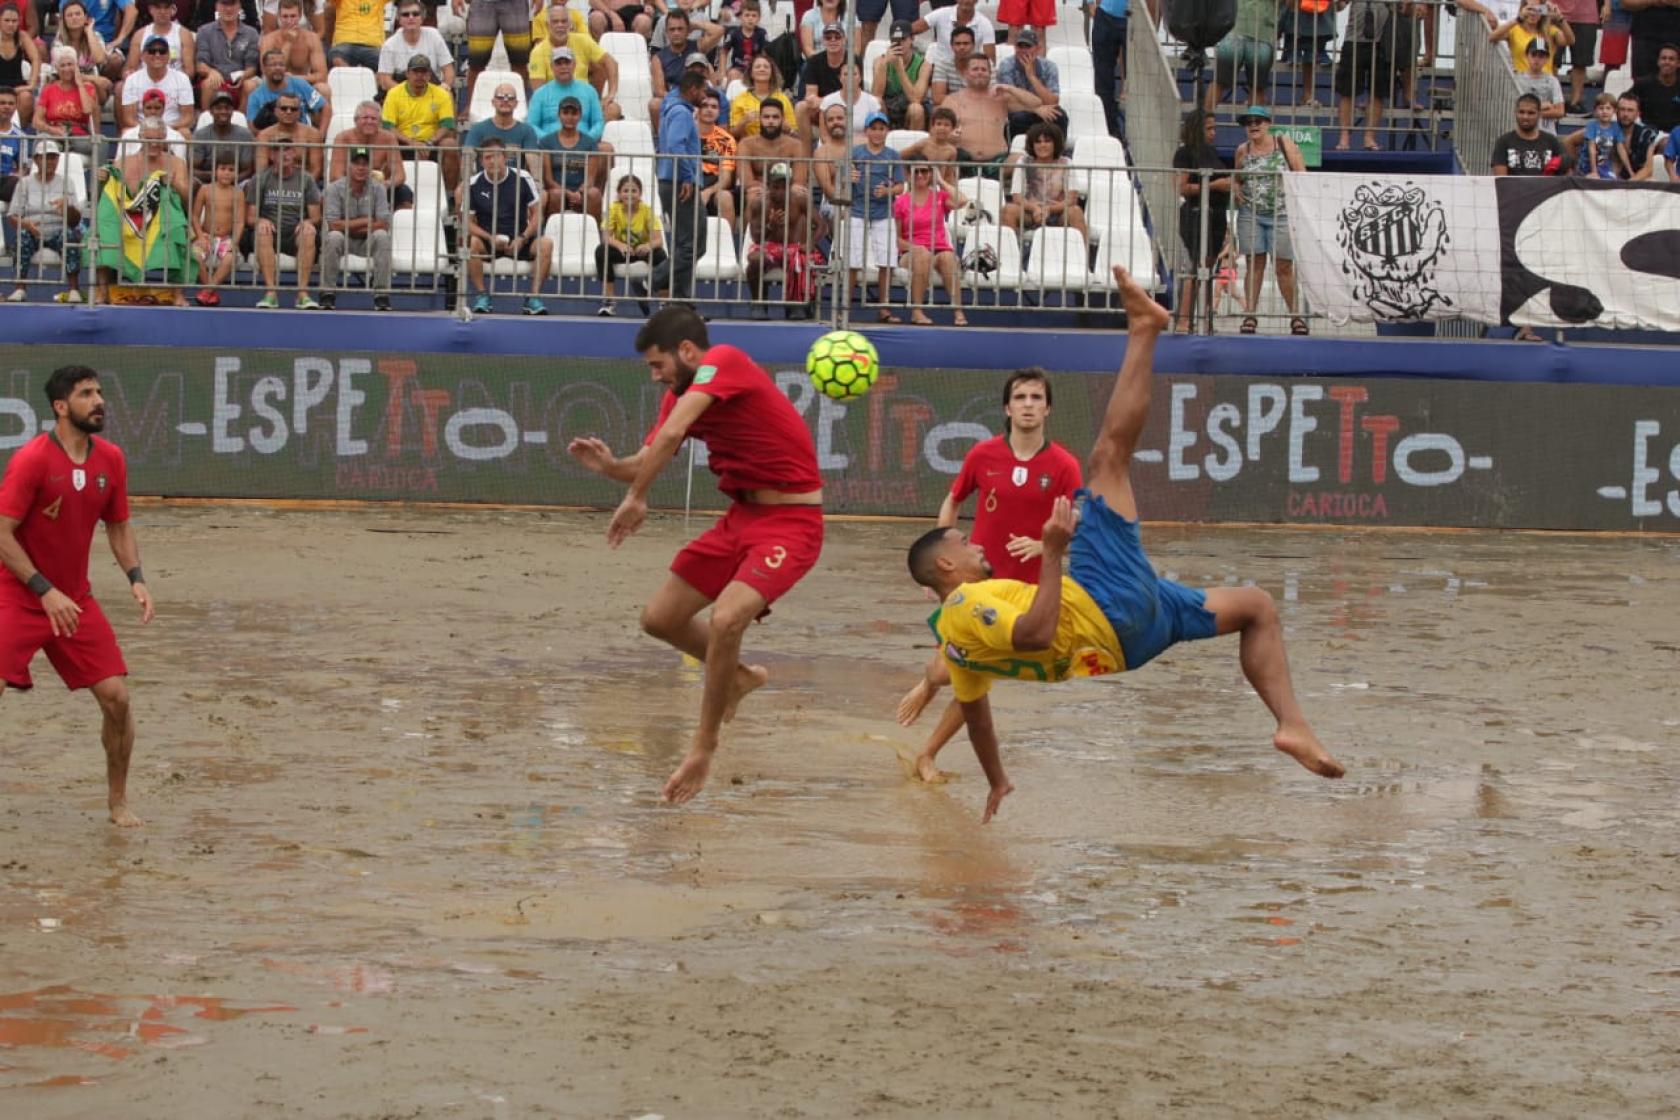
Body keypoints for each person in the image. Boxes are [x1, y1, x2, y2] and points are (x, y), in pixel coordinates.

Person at [898, 269, 1344, 823]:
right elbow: (1035, 635)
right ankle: (1144, 328)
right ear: (947, 566)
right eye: (963, 541)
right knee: (1109, 457)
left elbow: (978, 715)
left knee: (1256, 606)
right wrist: (1056, 551)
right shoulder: (965, 605)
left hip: (1130, 645)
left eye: (1037, 397)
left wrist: (997, 780)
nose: (973, 542)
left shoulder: (963, 630)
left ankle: (1291, 725)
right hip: (1104, 605)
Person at [566, 306, 826, 805]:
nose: (655, 375)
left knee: (728, 618)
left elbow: (667, 440)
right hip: (740, 519)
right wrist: (613, 468)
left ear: (688, 351)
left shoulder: (724, 360)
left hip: (792, 524)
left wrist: (637, 498)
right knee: (659, 618)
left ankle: (704, 747)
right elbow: (649, 457)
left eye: (657, 364)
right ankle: (741, 676)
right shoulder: (678, 395)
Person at [898, 367, 1080, 780]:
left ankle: (927, 751)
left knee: (973, 673)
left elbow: (1077, 521)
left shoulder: (1065, 465)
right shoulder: (983, 455)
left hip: (1022, 593)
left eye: (1036, 398)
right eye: (1021, 398)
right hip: (970, 585)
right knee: (949, 671)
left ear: (1048, 408)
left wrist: (1044, 546)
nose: (1028, 405)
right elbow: (952, 501)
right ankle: (928, 702)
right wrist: (937, 570)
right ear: (1007, 408)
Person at [0, 365, 155, 829]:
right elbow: (2, 534)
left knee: (118, 700)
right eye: (87, 394)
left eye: (100, 392)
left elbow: (119, 524)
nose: (99, 400)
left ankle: (117, 803)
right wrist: (43, 591)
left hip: (75, 600)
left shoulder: (112, 460)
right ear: (61, 406)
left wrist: (135, 576)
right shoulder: (31, 461)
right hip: (16, 593)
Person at [1232, 105, 1307, 335]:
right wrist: (1235, 186)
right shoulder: (1242, 150)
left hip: (1282, 214)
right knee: (1254, 265)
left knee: (1284, 266)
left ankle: (1296, 317)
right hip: (1251, 213)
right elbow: (1238, 176)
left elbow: (1301, 174)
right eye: (1249, 122)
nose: (1253, 125)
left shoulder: (1283, 144)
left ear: (1268, 123)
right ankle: (1250, 315)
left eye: (1258, 121)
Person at [463, 136, 552, 315]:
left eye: (496, 156)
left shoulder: (523, 177)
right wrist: (490, 238)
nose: (492, 161)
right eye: (487, 157)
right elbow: (467, 222)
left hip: (521, 238)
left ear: (505, 157)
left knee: (546, 244)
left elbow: (537, 215)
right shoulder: (473, 184)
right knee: (472, 242)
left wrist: (523, 237)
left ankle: (533, 298)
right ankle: (482, 296)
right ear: (481, 161)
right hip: (489, 240)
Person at [244, 136, 322, 308]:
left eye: (288, 150)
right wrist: (260, 220)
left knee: (309, 233)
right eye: (279, 150)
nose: (284, 154)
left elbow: (316, 216)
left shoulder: (306, 179)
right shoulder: (260, 179)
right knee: (262, 232)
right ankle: (271, 293)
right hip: (271, 232)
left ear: (294, 153)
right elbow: (250, 217)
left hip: (294, 232)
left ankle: (302, 294)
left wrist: (308, 222)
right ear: (272, 155)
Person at [1172, 107, 1231, 333]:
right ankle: (1184, 320)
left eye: (1214, 128)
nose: (1213, 133)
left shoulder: (1212, 153)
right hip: (1196, 214)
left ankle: (1205, 319)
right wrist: (1214, 185)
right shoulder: (1184, 153)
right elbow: (1181, 187)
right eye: (1209, 128)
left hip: (1216, 215)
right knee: (1196, 266)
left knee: (1208, 266)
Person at [653, 69, 709, 304]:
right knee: (694, 246)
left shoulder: (671, 106)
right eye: (704, 90)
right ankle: (652, 280)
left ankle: (681, 303)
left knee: (684, 245)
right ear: (693, 90)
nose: (705, 96)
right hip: (680, 183)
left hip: (671, 181)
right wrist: (687, 177)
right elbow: (677, 147)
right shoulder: (681, 113)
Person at [7, 143, 84, 304]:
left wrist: (67, 208)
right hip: (32, 228)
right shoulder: (24, 183)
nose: (49, 162)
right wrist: (26, 225)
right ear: (36, 160)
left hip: (58, 228)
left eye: (53, 157)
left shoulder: (67, 182)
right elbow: (13, 216)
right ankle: (20, 288)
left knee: (70, 235)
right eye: (45, 158)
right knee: (22, 236)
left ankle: (73, 289)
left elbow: (76, 220)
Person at [318, 144, 392, 309]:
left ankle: (382, 295)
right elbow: (333, 225)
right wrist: (366, 220)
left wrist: (350, 224)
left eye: (364, 164)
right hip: (343, 240)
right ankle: (327, 293)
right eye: (356, 163)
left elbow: (382, 224)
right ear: (348, 166)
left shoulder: (379, 189)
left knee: (382, 236)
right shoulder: (334, 189)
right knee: (333, 237)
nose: (360, 167)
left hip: (367, 241)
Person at [844, 111, 902, 322]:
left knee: (886, 261)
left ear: (887, 131)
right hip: (858, 210)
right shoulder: (856, 152)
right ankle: (845, 307)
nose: (877, 132)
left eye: (881, 128)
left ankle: (884, 308)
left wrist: (887, 191)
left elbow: (900, 186)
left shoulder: (893, 155)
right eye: (874, 128)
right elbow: (844, 177)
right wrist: (849, 177)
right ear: (867, 131)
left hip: (883, 213)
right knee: (852, 261)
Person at [893, 159, 966, 326]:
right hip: (910, 252)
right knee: (923, 255)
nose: (920, 175)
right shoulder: (901, 201)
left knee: (948, 257)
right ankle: (917, 311)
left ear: (930, 174)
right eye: (916, 171)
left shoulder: (940, 197)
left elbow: (962, 201)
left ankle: (958, 311)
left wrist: (940, 181)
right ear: (909, 175)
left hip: (939, 249)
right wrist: (914, 247)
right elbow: (897, 239)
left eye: (924, 171)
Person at [946, 54, 1040, 177]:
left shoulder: (1001, 98)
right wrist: (948, 137)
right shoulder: (952, 100)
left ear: (990, 74)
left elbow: (1036, 103)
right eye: (975, 69)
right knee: (943, 153)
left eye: (984, 69)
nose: (980, 72)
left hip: (998, 163)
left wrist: (1010, 89)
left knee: (1022, 159)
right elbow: (934, 133)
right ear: (965, 73)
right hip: (962, 163)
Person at [743, 160, 814, 317]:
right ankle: (759, 303)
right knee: (755, 260)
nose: (780, 192)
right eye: (776, 187)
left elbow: (822, 225)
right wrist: (771, 226)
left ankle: (796, 304)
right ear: (768, 185)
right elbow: (756, 238)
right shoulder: (759, 204)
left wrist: (810, 243)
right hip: (768, 246)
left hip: (792, 248)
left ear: (790, 186)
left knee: (800, 258)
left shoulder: (800, 200)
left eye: (784, 187)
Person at [382, 53, 458, 187]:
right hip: (402, 143)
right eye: (415, 72)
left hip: (431, 143)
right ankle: (389, 191)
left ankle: (450, 195)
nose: (420, 76)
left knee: (450, 144)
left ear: (429, 75)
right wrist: (411, 143)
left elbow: (447, 125)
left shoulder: (441, 94)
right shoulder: (394, 93)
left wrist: (429, 143)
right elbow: (388, 126)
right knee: (386, 142)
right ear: (407, 73)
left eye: (424, 72)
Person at [1335, 0, 1402, 151]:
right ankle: (1344, 138)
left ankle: (1369, 138)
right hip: (1354, 41)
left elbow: (1402, 8)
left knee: (1378, 92)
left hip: (1382, 43)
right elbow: (1339, 7)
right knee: (1347, 91)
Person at [595, 171, 665, 315]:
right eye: (625, 190)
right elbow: (606, 237)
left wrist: (647, 246)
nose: (629, 194)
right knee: (601, 251)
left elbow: (659, 240)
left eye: (634, 191)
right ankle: (609, 302)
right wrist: (620, 245)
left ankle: (664, 304)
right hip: (623, 251)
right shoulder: (614, 209)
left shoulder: (647, 211)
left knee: (660, 255)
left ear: (640, 194)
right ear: (619, 194)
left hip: (641, 251)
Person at [1002, 121, 1084, 238]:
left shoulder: (1066, 163)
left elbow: (1071, 200)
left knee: (1076, 212)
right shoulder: (1023, 162)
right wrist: (1035, 208)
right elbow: (1017, 197)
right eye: (1038, 142)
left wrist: (1049, 209)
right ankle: (1009, 253)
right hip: (1030, 212)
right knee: (1009, 210)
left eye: (1047, 141)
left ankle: (1082, 255)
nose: (1042, 145)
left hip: (1058, 213)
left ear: (1055, 143)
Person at [526, 10, 616, 114]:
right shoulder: (538, 51)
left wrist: (611, 93)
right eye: (555, 22)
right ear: (548, 25)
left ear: (570, 25)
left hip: (584, 100)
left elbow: (611, 62)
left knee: (613, 110)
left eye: (564, 21)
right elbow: (539, 93)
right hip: (555, 105)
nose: (560, 25)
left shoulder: (583, 41)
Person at [328, 98, 410, 207]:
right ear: (356, 120)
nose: (369, 122)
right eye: (365, 118)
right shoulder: (343, 138)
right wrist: (357, 186)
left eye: (374, 119)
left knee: (404, 193)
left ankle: (399, 223)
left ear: (380, 122)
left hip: (381, 186)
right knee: (330, 193)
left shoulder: (388, 138)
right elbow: (335, 175)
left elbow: (400, 175)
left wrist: (385, 184)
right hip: (349, 186)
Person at [1562, 89, 1661, 177]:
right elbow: (1568, 141)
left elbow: (1648, 169)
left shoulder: (1646, 134)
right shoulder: (1598, 127)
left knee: (1652, 180)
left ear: (1638, 114)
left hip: (1630, 179)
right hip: (1599, 174)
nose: (1625, 114)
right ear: (1616, 111)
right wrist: (1575, 169)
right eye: (1622, 109)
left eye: (1630, 110)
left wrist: (1630, 182)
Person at [538, 95, 608, 220]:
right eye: (565, 113)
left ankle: (595, 236)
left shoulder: (589, 143)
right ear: (558, 115)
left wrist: (579, 193)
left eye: (574, 113)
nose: (569, 117)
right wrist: (567, 193)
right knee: (556, 194)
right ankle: (552, 233)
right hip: (557, 190)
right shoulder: (546, 142)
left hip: (581, 191)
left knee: (594, 193)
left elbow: (590, 179)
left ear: (580, 116)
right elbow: (548, 180)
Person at [1206, 0, 1281, 112]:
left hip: (1238, 30)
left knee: (1219, 82)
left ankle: (1203, 124)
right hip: (1260, 34)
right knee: (1257, 88)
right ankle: (1254, 125)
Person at [191, 149, 244, 304]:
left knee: (229, 258)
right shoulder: (205, 190)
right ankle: (211, 292)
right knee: (194, 255)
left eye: (231, 170)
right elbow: (194, 216)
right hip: (206, 235)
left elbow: (240, 221)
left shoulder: (238, 193)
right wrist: (200, 236)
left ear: (236, 173)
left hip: (226, 238)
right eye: (222, 169)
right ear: (215, 170)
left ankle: (207, 291)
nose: (226, 173)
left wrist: (234, 242)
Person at [993, 28, 1064, 140]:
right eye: (1020, 47)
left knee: (1059, 115)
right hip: (1018, 110)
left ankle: (1058, 153)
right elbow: (1009, 100)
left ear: (1037, 49)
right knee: (1018, 118)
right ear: (1015, 48)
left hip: (1043, 108)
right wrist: (1036, 109)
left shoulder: (1049, 67)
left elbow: (1052, 101)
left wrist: (1031, 76)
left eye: (1028, 47)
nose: (1023, 51)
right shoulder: (1006, 65)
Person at [465, 80, 542, 177]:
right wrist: (467, 183)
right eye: (500, 97)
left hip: (516, 184)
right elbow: (467, 159)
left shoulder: (527, 130)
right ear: (493, 102)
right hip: (485, 182)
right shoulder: (477, 129)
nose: (505, 100)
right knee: (460, 192)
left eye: (510, 98)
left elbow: (533, 162)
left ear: (516, 103)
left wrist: (538, 185)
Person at [34, 46, 102, 158]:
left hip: (79, 137)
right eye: (62, 65)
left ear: (76, 67)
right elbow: (36, 121)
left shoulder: (88, 87)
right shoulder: (49, 89)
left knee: (101, 144)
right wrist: (52, 130)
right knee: (42, 142)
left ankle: (98, 176)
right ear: (57, 68)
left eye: (70, 64)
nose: (66, 69)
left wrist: (80, 84)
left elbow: (88, 110)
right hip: (54, 135)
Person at [121, 34, 196, 134]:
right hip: (142, 130)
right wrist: (149, 130)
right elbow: (129, 119)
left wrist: (164, 129)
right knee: (126, 132)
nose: (157, 55)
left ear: (169, 55)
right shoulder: (132, 80)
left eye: (162, 51)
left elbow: (188, 117)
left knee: (185, 133)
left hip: (172, 129)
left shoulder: (182, 79)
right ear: (143, 56)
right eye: (152, 51)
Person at [195, 0, 262, 110]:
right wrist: (211, 71)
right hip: (216, 80)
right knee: (208, 84)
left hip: (240, 80)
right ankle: (207, 121)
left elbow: (252, 67)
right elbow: (200, 64)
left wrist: (244, 76)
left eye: (233, 4)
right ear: (216, 6)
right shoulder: (204, 31)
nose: (229, 9)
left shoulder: (251, 33)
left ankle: (241, 122)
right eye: (224, 4)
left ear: (240, 5)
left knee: (250, 85)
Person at [527, 45, 605, 139]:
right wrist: (550, 141)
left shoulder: (589, 91)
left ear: (574, 64)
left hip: (583, 148)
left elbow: (599, 123)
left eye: (567, 62)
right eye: (558, 63)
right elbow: (531, 125)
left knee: (606, 148)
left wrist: (585, 141)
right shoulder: (540, 94)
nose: (563, 67)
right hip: (549, 149)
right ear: (552, 66)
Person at [378, 0, 454, 93]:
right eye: (405, 14)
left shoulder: (434, 35)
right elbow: (385, 80)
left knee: (448, 94)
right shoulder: (389, 45)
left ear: (422, 18)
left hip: (432, 90)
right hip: (402, 93)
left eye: (415, 14)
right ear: (399, 19)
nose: (411, 17)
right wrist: (409, 94)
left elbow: (448, 70)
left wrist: (443, 88)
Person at [247, 46, 330, 131]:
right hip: (273, 140)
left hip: (302, 138)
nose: (278, 68)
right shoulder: (255, 96)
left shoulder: (299, 84)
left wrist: (320, 136)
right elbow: (252, 127)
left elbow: (325, 107)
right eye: (273, 65)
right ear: (263, 69)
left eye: (281, 65)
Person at [51, 1, 119, 103]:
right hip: (66, 82)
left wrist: (89, 31)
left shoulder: (95, 36)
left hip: (91, 85)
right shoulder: (58, 41)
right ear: (64, 20)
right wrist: (94, 79)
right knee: (91, 85)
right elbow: (64, 74)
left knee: (93, 89)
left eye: (78, 14)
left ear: (86, 18)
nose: (74, 17)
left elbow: (100, 59)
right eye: (70, 15)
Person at [255, 89, 326, 178]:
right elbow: (261, 169)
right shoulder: (264, 135)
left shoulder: (313, 134)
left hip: (304, 183)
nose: (288, 112)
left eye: (294, 109)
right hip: (273, 184)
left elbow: (316, 169)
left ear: (299, 113)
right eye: (284, 108)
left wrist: (302, 187)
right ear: (276, 111)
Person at [874, 19, 931, 130]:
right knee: (877, 103)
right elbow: (876, 95)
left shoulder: (923, 65)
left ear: (912, 39)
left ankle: (914, 145)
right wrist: (883, 66)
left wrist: (900, 69)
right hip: (889, 106)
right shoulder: (880, 61)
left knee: (916, 109)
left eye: (903, 39)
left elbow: (916, 98)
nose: (899, 44)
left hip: (909, 107)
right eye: (895, 40)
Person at [1490, 2, 1574, 74]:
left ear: (1543, 11)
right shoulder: (1514, 30)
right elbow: (1492, 37)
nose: (1533, 13)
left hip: (1545, 83)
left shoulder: (1549, 30)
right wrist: (1518, 19)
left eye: (1538, 9)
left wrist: (1560, 18)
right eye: (1529, 9)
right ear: (1523, 9)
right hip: (1521, 82)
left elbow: (1570, 40)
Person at [122, 0, 195, 80]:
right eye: (158, 8)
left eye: (166, 8)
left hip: (174, 83)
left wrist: (166, 80)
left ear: (173, 9)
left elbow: (189, 70)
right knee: (120, 87)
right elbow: (130, 67)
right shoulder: (140, 35)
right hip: (145, 82)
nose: (162, 12)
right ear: (151, 10)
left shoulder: (184, 34)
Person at [728, 54, 796, 140]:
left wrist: (788, 129)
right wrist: (744, 121)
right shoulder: (740, 99)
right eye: (757, 67)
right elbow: (733, 134)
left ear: (772, 73)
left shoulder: (783, 99)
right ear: (751, 73)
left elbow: (794, 132)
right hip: (750, 147)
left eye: (766, 67)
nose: (762, 69)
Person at [697, 88, 737, 232]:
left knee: (725, 197)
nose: (709, 110)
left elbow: (726, 178)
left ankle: (728, 247)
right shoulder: (685, 132)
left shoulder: (727, 140)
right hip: (688, 183)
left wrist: (708, 192)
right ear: (697, 109)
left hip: (713, 185)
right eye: (704, 106)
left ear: (719, 112)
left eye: (714, 107)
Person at [1555, 0, 1601, 112]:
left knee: (1581, 62)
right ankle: (1555, 100)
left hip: (1586, 15)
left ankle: (1575, 103)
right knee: (1551, 60)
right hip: (1554, 13)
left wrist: (1607, 5)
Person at [1513, 37, 1566, 133]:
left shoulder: (1552, 81)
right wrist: (1544, 106)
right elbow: (1513, 107)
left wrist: (1530, 112)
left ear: (1547, 59)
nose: (1537, 59)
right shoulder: (1517, 79)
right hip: (1521, 132)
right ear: (1526, 56)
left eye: (1541, 56)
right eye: (1533, 55)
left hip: (1546, 131)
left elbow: (1560, 111)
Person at [1091, 0, 1128, 137]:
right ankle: (1108, 130)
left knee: (1137, 81)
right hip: (1105, 15)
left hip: (1135, 18)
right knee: (1103, 80)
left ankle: (1129, 133)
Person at [0, 6, 40, 126]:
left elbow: (36, 59)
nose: (11, 24)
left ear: (19, 21)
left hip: (17, 86)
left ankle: (18, 134)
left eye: (14, 21)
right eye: (7, 20)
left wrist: (31, 84)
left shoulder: (22, 36)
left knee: (26, 98)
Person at [1575, 90, 1630, 176]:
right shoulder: (1592, 125)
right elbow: (1592, 149)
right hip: (1587, 166)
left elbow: (1621, 150)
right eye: (1601, 108)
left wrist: (1631, 171)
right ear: (1595, 110)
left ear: (1614, 111)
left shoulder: (1616, 127)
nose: (1604, 111)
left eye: (1608, 108)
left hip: (1604, 166)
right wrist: (1594, 172)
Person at [1630, 41, 1680, 130]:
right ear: (1658, 62)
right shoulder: (1643, 85)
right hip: (1649, 133)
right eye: (1663, 58)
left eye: (1671, 59)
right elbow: (1626, 103)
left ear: (1678, 63)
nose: (1667, 62)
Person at [326, 0, 386, 71]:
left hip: (372, 44)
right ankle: (352, 78)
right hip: (345, 42)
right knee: (336, 59)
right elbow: (329, 6)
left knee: (383, 65)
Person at [929, 23, 980, 104]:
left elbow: (991, 96)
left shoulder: (985, 64)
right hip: (952, 109)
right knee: (937, 109)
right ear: (951, 46)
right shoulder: (942, 65)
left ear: (973, 45)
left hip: (978, 109)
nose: (962, 47)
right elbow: (938, 98)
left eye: (966, 43)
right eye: (958, 44)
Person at [721, 0, 768, 81]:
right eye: (747, 15)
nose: (750, 18)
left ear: (759, 18)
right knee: (733, 74)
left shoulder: (762, 33)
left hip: (755, 69)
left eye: (754, 16)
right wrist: (722, 72)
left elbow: (766, 54)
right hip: (738, 69)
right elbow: (723, 52)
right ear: (740, 17)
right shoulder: (734, 33)